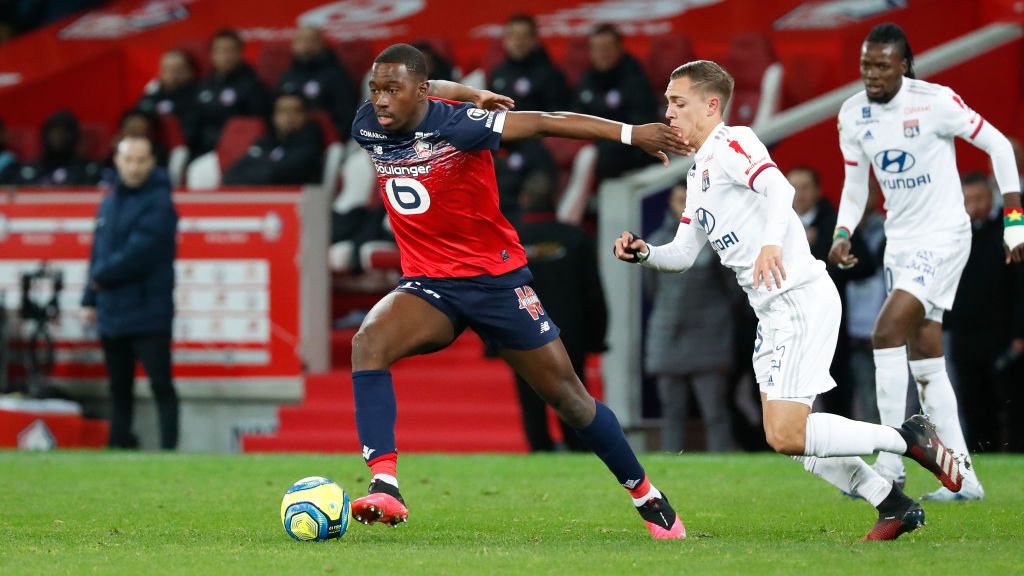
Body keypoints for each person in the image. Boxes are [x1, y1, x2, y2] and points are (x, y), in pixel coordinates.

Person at [348, 43, 691, 539]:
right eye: (375, 89)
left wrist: (631, 133)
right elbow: (432, 88)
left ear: (418, 92)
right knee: (368, 343)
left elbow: (549, 121)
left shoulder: (461, 126)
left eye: (392, 89)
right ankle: (386, 485)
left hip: (495, 283)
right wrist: (471, 89)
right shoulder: (367, 123)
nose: (380, 100)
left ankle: (646, 494)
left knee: (571, 400)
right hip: (430, 284)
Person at [615, 59, 964, 541]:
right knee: (792, 442)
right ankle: (893, 504)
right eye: (668, 102)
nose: (669, 112)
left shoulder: (734, 142)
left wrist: (772, 243)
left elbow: (778, 188)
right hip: (772, 311)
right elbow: (682, 255)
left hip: (799, 297)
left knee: (786, 432)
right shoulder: (698, 174)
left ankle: (909, 438)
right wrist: (645, 253)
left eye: (679, 102)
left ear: (711, 104)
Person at [829, 23, 1023, 500]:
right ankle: (965, 481)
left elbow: (998, 145)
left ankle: (891, 464)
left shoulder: (935, 102)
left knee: (885, 331)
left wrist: (1014, 220)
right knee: (926, 360)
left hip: (944, 236)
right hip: (901, 241)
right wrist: (842, 231)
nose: (871, 75)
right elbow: (857, 184)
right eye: (865, 65)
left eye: (881, 66)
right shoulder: (852, 115)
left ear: (904, 65)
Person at [82, 135, 179, 450]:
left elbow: (140, 252)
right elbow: (98, 250)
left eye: (141, 161)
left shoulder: (161, 202)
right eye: (128, 160)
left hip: (149, 311)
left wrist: (99, 277)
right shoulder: (109, 201)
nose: (134, 168)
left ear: (152, 162)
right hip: (112, 309)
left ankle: (169, 450)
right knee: (118, 387)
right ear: (116, 161)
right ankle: (118, 446)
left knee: (160, 384)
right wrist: (89, 298)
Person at [512, 170, 607, 452]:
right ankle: (576, 449)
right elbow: (593, 292)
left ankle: (539, 448)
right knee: (572, 394)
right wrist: (598, 336)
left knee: (531, 400)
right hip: (569, 334)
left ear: (524, 199)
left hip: (521, 333)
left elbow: (493, 291)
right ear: (554, 199)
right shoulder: (575, 238)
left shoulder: (510, 239)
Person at [644, 180, 735, 452]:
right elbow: (652, 289)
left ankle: (723, 470)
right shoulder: (657, 240)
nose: (683, 205)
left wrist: (716, 314)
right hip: (668, 333)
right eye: (677, 200)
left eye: (688, 199)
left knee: (715, 411)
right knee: (672, 412)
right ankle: (673, 468)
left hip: (710, 335)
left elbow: (734, 288)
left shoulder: (718, 240)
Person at [945, 172, 1024, 452]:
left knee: (1010, 403)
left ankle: (1015, 454)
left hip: (1003, 335)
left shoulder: (1011, 228)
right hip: (964, 335)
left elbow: (1020, 286)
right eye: (968, 199)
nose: (974, 205)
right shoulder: (954, 233)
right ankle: (981, 457)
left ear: (991, 196)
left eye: (979, 197)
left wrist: (1019, 334)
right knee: (973, 404)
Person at [574, 24, 658, 181]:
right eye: (596, 49)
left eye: (606, 48)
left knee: (599, 156)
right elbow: (576, 113)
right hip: (596, 144)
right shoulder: (587, 77)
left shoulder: (634, 77)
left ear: (619, 48)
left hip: (629, 149)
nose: (601, 54)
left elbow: (641, 124)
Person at [189, 29, 272, 156]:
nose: (224, 55)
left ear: (240, 53)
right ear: (211, 54)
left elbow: (256, 126)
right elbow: (194, 122)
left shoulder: (253, 85)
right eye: (219, 50)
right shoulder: (203, 85)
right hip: (202, 149)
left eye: (229, 50)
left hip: (236, 151)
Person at [222, 93, 324, 186]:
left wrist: (256, 171)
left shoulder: (310, 143)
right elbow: (232, 174)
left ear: (306, 115)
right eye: (283, 111)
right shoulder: (266, 141)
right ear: (274, 116)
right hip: (262, 198)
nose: (289, 117)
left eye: (295, 111)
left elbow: (276, 174)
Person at [278, 26, 358, 141]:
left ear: (322, 44)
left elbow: (346, 116)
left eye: (310, 40)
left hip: (321, 141)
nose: (305, 45)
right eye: (300, 40)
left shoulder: (336, 76)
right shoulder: (287, 76)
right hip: (286, 141)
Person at [488, 14, 570, 113]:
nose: (518, 41)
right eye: (513, 35)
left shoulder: (551, 75)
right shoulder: (497, 73)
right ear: (505, 40)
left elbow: (558, 115)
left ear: (534, 40)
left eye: (524, 35)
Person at [14, 110, 100, 186]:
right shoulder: (29, 171)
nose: (58, 137)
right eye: (54, 132)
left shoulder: (87, 172)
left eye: (64, 133)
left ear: (74, 136)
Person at [136, 49, 199, 143]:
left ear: (190, 71)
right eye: (166, 69)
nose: (171, 74)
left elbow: (190, 133)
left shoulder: (196, 96)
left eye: (177, 70)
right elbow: (136, 117)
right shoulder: (151, 93)